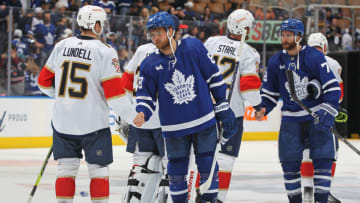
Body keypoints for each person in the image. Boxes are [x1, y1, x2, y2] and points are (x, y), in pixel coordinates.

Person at [133, 11, 238, 203]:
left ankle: (208, 200)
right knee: (176, 170)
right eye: (152, 34)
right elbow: (145, 95)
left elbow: (213, 75)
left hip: (204, 121)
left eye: (159, 33)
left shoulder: (193, 47)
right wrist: (142, 112)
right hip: (174, 129)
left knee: (207, 164)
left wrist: (222, 103)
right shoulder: (149, 64)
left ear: (171, 31)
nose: (155, 38)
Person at [37, 5, 131, 203]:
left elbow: (43, 82)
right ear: (96, 25)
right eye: (101, 24)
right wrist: (133, 117)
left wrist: (63, 98)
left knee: (65, 170)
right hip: (93, 124)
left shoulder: (62, 45)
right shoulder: (105, 51)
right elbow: (115, 95)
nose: (102, 27)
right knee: (98, 171)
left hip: (63, 123)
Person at [255, 19, 341, 203]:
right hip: (290, 121)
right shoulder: (275, 60)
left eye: (289, 35)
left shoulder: (315, 57)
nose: (284, 38)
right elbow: (270, 93)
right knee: (289, 163)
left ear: (299, 36)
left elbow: (333, 88)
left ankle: (321, 200)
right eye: (283, 35)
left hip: (315, 117)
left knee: (323, 159)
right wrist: (263, 108)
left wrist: (328, 110)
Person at [121, 14, 187, 203]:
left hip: (140, 119)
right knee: (171, 167)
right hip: (168, 122)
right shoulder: (178, 53)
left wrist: (125, 114)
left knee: (140, 167)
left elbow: (125, 81)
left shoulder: (142, 50)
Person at [200, 9, 262, 203]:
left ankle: (201, 194)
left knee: (203, 155)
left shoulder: (211, 42)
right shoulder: (250, 53)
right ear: (244, 28)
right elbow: (248, 88)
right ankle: (218, 198)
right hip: (231, 112)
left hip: (204, 110)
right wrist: (259, 105)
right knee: (225, 159)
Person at [301, 32, 344, 203]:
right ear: (325, 47)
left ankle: (307, 192)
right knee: (330, 153)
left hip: (303, 116)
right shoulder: (333, 63)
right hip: (325, 115)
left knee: (306, 152)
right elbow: (339, 95)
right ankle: (324, 191)